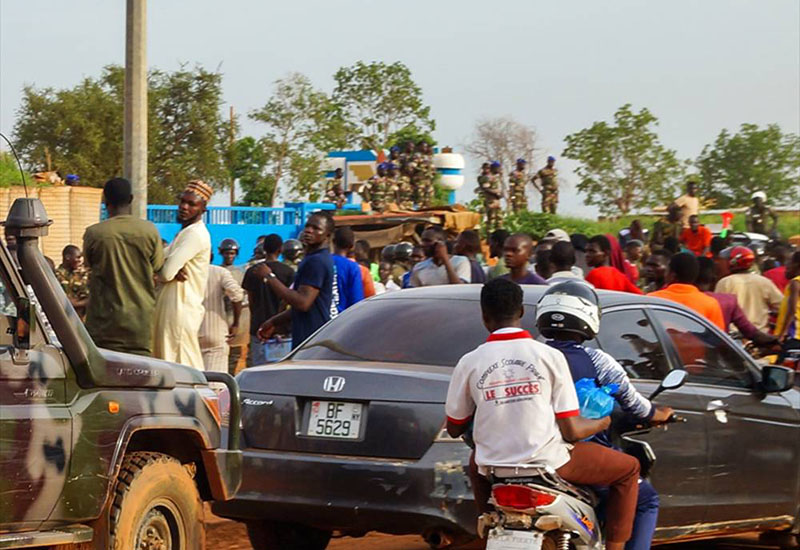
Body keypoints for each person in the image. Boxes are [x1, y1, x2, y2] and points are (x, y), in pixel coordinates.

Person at [445, 278, 641, 550]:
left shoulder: (469, 362)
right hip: (550, 463)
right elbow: (571, 430)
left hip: (494, 469)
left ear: (484, 316)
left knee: (474, 460)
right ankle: (616, 546)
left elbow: (454, 428)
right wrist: (603, 422)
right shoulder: (548, 356)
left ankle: (489, 526)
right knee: (629, 469)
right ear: (523, 313)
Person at [539, 281, 673, 550]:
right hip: (573, 457)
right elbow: (638, 408)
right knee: (644, 497)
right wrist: (659, 414)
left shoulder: (530, 355)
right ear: (588, 316)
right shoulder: (599, 362)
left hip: (521, 456)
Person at [83, 177, 164, 356]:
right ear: (131, 199)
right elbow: (158, 265)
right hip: (140, 323)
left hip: (103, 325)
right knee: (140, 376)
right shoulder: (149, 231)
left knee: (103, 377)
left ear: (105, 202)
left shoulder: (94, 233)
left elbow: (88, 264)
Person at [153, 181, 213, 369]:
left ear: (203, 209)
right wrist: (165, 266)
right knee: (166, 366)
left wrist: (166, 267)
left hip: (180, 309)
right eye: (182, 202)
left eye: (191, 204)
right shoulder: (185, 232)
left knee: (183, 370)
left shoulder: (195, 234)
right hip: (170, 307)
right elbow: (161, 264)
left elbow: (166, 273)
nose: (184, 207)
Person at [257, 213, 337, 350]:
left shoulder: (317, 261)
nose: (309, 230)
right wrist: (274, 321)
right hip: (308, 336)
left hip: (311, 339)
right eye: (307, 226)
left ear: (327, 235)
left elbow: (303, 302)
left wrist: (269, 277)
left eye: (316, 228)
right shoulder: (312, 258)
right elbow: (306, 306)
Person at [695, 257, 777, 346]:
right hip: (742, 340)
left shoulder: (725, 282)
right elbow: (748, 329)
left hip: (732, 338)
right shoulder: (764, 281)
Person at [242, 234, 295, 365]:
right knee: (280, 370)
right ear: (280, 250)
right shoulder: (288, 272)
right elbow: (289, 300)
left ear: (264, 249)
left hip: (258, 328)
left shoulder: (252, 271)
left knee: (258, 369)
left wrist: (257, 317)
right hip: (281, 330)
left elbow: (251, 300)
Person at [648, 253, 725, 330]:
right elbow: (717, 339)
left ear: (672, 275)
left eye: (667, 271)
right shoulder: (710, 304)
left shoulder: (652, 299)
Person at [715, 246, 783, 333]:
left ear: (732, 262)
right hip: (760, 336)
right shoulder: (764, 281)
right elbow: (782, 306)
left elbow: (718, 309)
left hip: (734, 337)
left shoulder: (725, 282)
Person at [199, 255, 244, 373]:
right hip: (215, 331)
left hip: (187, 333)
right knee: (215, 383)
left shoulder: (183, 272)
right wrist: (235, 323)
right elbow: (237, 295)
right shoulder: (219, 272)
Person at [218, 238, 249, 373]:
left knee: (235, 352)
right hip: (220, 314)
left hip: (237, 316)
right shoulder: (217, 271)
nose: (229, 256)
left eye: (232, 253)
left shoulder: (240, 273)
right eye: (227, 253)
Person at [331, 227, 365, 312]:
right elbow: (356, 302)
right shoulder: (353, 268)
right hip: (343, 320)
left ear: (333, 241)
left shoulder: (323, 261)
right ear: (352, 246)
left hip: (322, 320)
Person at [775, 251, 800, 361]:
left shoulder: (796, 282)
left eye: (789, 262)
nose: (787, 266)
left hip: (793, 335)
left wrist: (782, 334)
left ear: (797, 265)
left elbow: (792, 310)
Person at [55, 244, 89, 320]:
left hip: (82, 320)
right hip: (64, 319)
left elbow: (88, 297)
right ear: (67, 257)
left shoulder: (81, 274)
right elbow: (60, 301)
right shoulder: (56, 275)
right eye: (78, 257)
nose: (80, 260)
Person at [476, 161, 503, 233]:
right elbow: (486, 188)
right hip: (490, 201)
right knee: (491, 220)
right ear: (493, 168)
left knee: (499, 220)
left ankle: (499, 236)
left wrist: (500, 193)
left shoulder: (495, 177)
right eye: (497, 168)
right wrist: (496, 193)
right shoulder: (487, 178)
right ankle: (489, 238)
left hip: (496, 202)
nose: (499, 170)